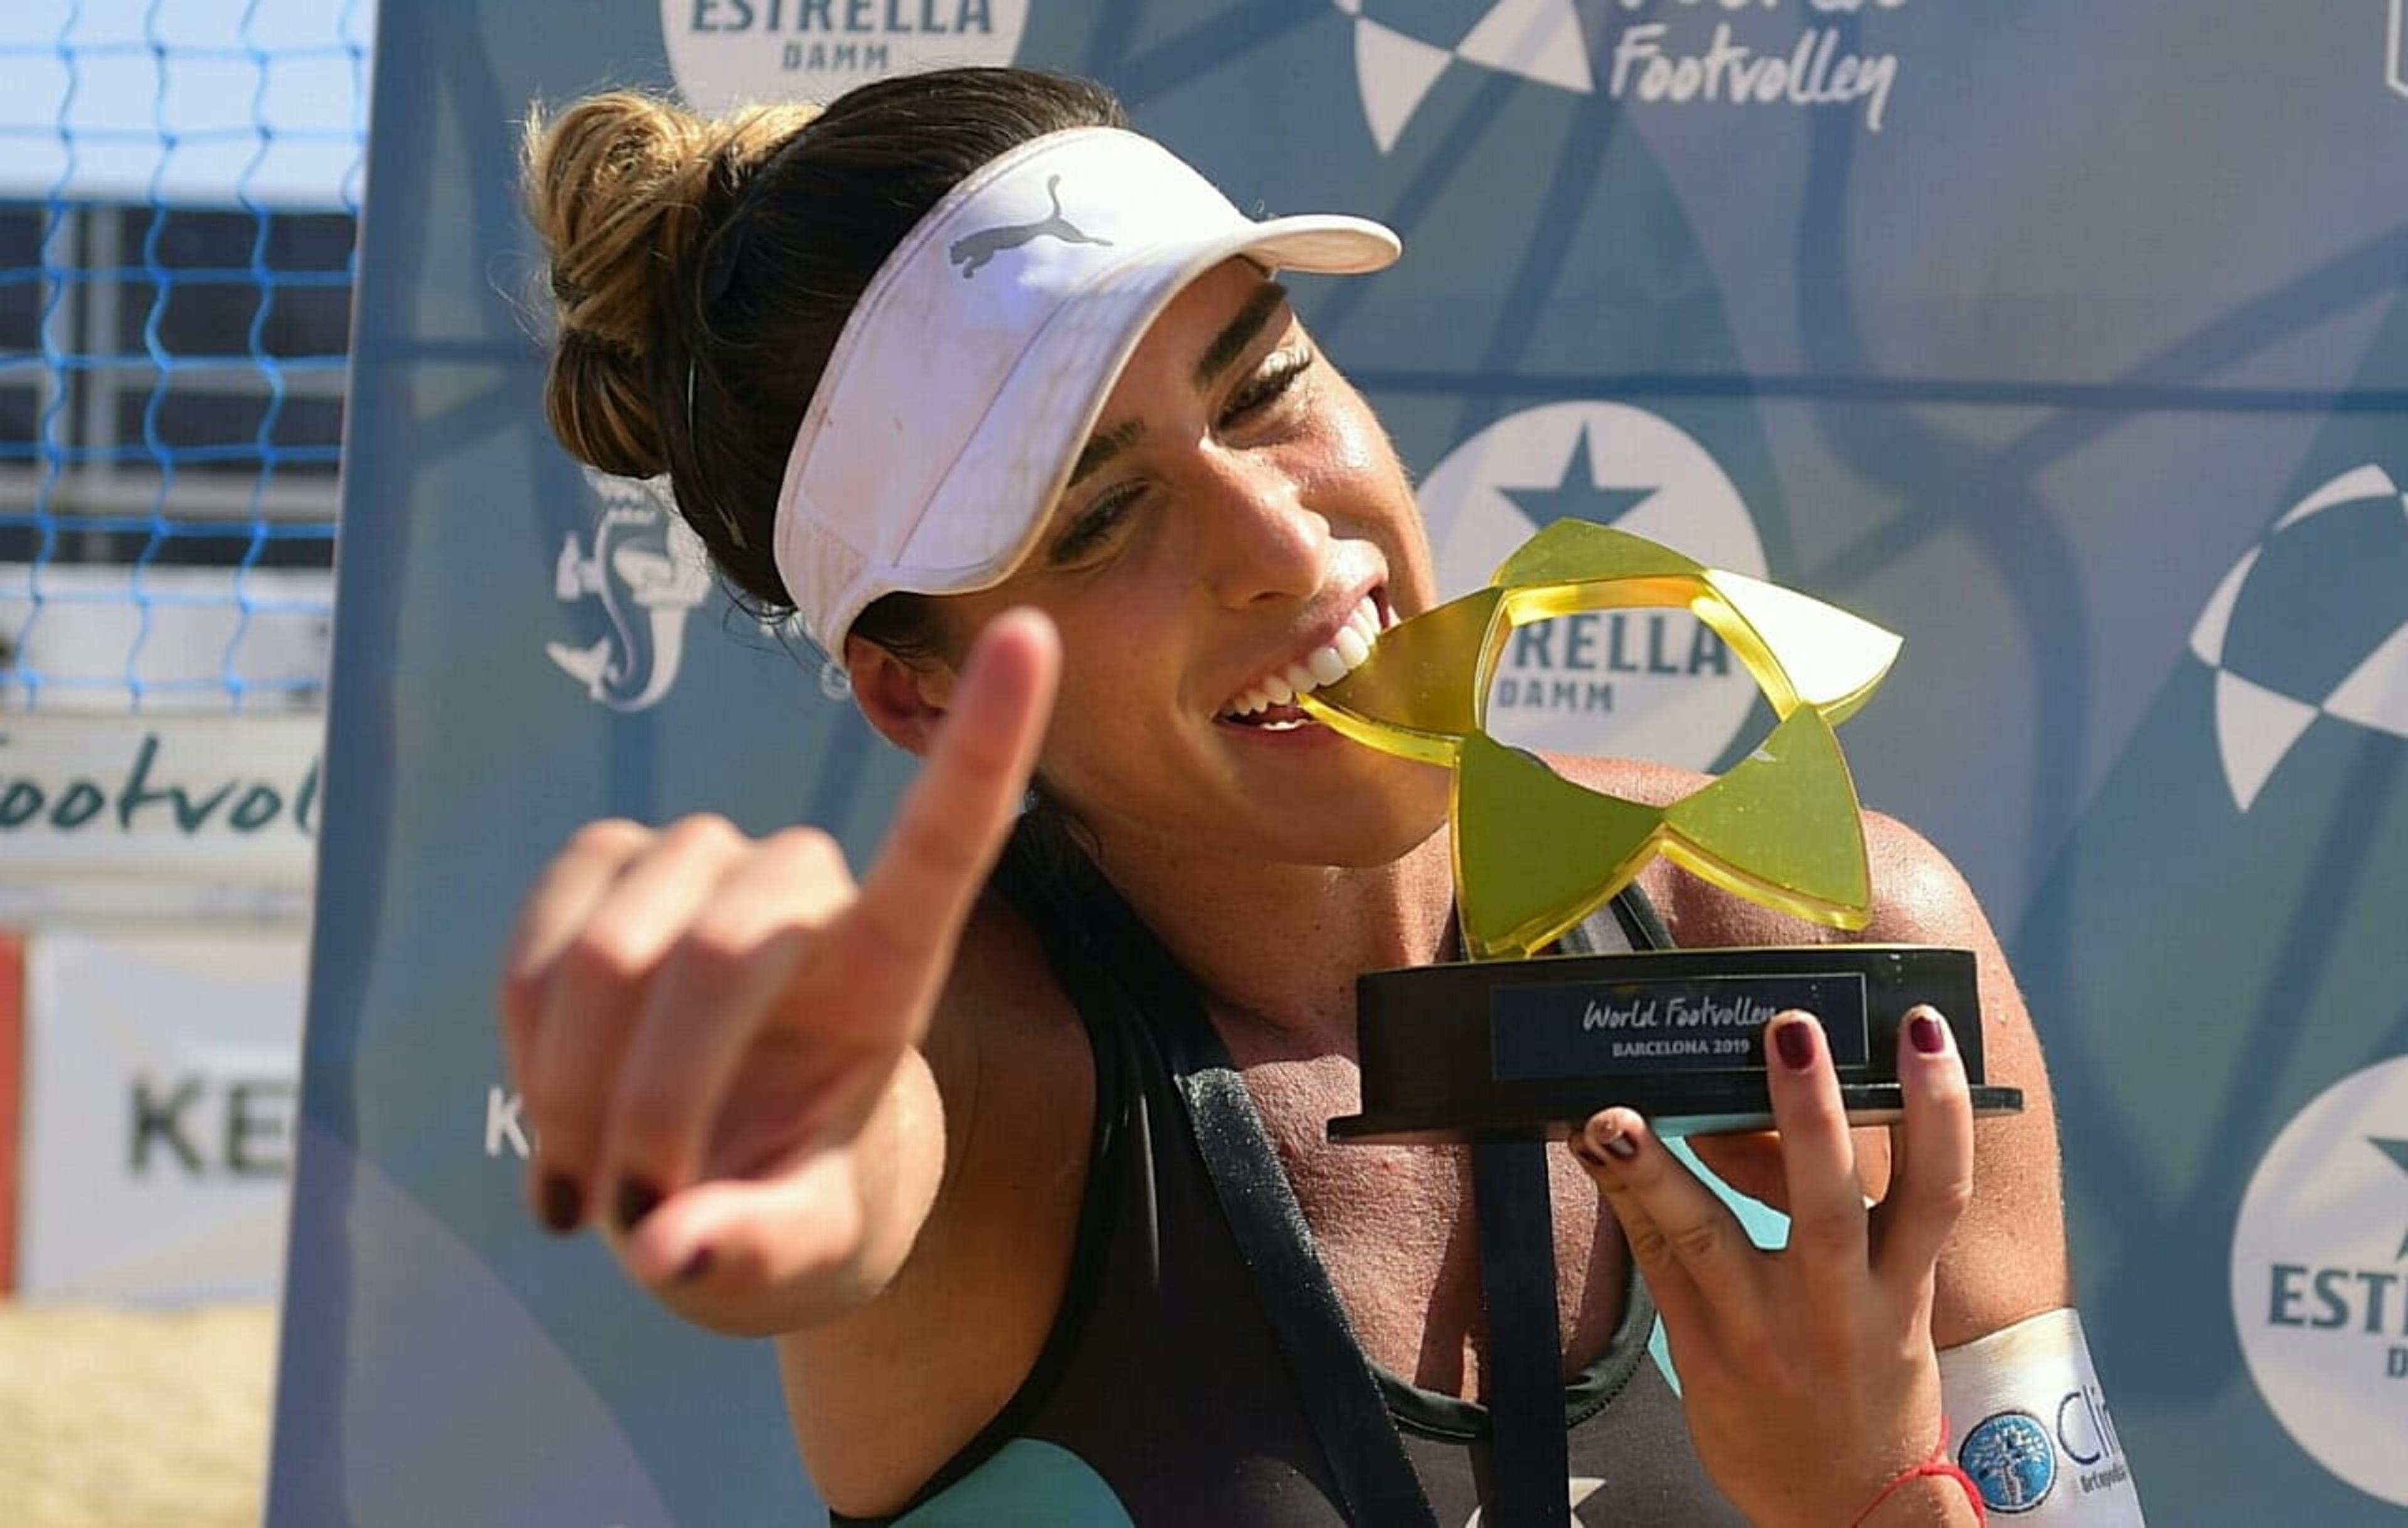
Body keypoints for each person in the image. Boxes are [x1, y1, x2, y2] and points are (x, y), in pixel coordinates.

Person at [507, 66, 2103, 1526]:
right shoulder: (982, 1087)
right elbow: (851, 1155)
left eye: (1263, 382)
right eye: (1101, 515)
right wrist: (762, 1109)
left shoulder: (1827, 943)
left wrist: (1883, 1503)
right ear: (919, 689)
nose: (1283, 545)